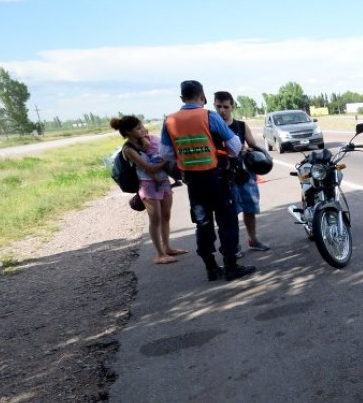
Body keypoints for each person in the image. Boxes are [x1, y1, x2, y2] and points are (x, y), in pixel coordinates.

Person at [159, 80, 256, 282]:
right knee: (227, 222)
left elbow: (166, 154)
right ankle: (231, 267)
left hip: (193, 183)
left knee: (203, 224)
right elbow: (235, 144)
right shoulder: (208, 116)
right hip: (218, 178)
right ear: (202, 97)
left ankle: (211, 268)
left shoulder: (169, 121)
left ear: (181, 98)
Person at [111, 115, 187, 264]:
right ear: (128, 132)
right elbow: (149, 168)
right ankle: (160, 254)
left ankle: (167, 247)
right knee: (155, 219)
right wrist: (166, 159)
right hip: (147, 185)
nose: (143, 130)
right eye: (138, 128)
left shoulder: (145, 141)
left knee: (166, 215)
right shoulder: (128, 150)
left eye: (142, 126)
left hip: (162, 180)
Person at [214, 91, 271, 254]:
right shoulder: (212, 127)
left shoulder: (240, 125)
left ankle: (253, 239)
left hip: (244, 174)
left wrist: (248, 150)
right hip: (224, 174)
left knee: (250, 208)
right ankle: (233, 246)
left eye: (226, 107)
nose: (222, 110)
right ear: (214, 106)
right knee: (229, 213)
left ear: (232, 107)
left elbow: (253, 145)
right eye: (218, 106)